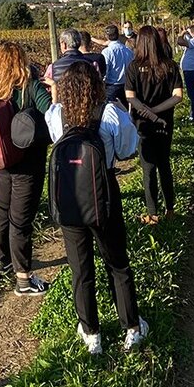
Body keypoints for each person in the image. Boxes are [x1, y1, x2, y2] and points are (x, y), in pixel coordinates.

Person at [45, 60, 148, 354]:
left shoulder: (56, 115)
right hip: (104, 193)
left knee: (80, 269)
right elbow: (128, 149)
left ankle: (92, 334)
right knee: (117, 263)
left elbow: (55, 139)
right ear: (97, 85)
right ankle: (132, 327)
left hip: (70, 198)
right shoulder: (110, 113)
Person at [0, 43, 52, 295]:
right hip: (29, 164)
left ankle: (3, 262)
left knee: (1, 212)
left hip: (3, 163)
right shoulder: (30, 86)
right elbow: (51, 113)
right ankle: (23, 279)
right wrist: (54, 89)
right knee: (21, 220)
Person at [125, 24, 185, 223]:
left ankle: (153, 213)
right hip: (165, 122)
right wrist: (157, 110)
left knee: (148, 168)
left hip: (142, 124)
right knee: (164, 164)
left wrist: (145, 110)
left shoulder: (134, 67)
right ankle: (170, 209)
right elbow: (178, 96)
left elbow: (130, 97)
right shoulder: (170, 65)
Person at [100, 24, 133, 108]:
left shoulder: (106, 52)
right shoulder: (128, 51)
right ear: (118, 35)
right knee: (124, 112)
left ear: (107, 36)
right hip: (126, 87)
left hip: (111, 87)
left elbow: (105, 71)